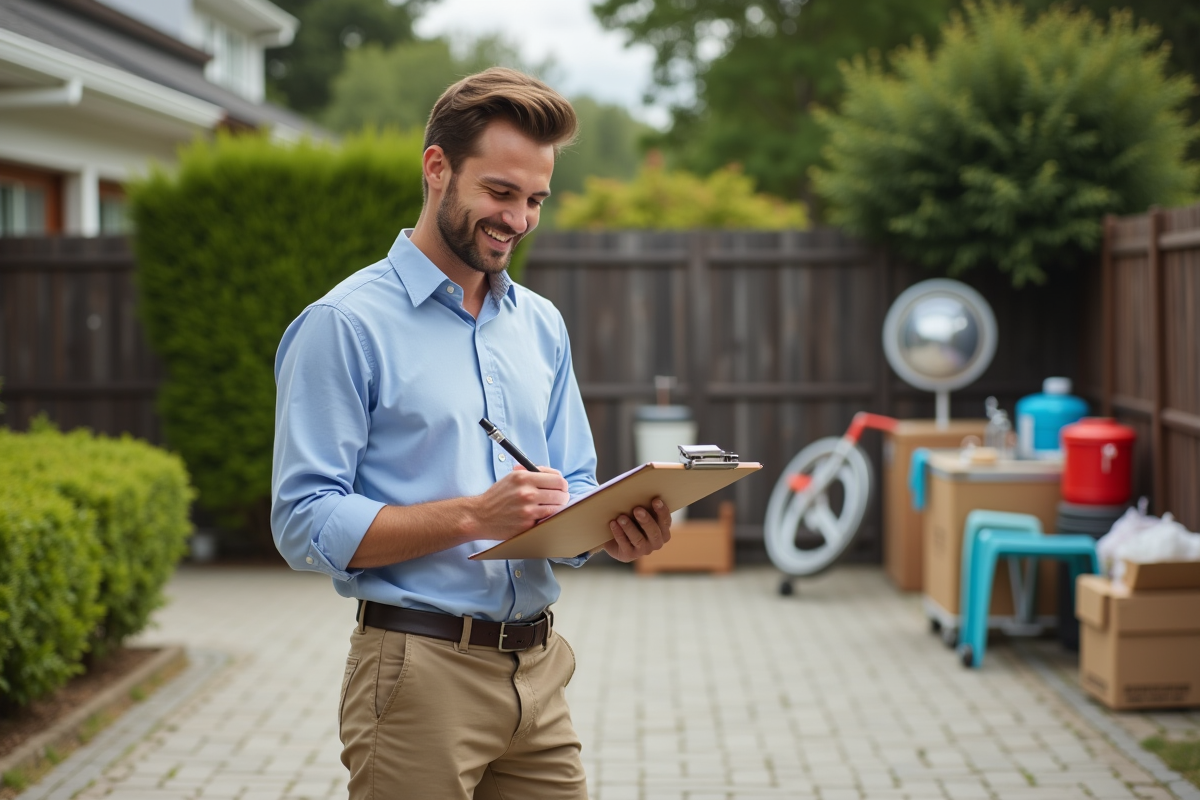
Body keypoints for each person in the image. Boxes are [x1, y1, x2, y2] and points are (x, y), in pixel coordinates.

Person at [271, 68, 672, 799]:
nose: (519, 219)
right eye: (500, 192)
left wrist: (608, 530)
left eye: (535, 200)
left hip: (540, 673)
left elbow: (573, 485)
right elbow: (302, 521)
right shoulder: (343, 325)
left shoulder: (541, 325)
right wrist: (470, 517)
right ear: (437, 169)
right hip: (417, 675)